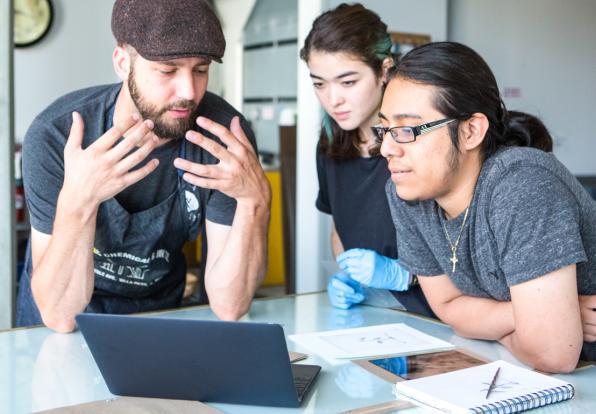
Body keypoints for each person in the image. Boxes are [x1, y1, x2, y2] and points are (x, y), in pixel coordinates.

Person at [17, 0, 271, 333]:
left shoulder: (223, 138)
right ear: (123, 63)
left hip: (157, 322)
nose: (189, 92)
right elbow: (60, 315)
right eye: (167, 70)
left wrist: (256, 202)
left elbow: (230, 305)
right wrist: (78, 202)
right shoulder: (57, 136)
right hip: (56, 332)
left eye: (201, 69)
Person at [378, 41, 596, 372]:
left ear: (470, 131)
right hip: (536, 371)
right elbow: (449, 307)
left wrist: (490, 322)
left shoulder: (522, 183)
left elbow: (553, 352)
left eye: (407, 130)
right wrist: (528, 316)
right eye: (385, 129)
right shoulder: (407, 192)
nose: (386, 149)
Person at [300, 3, 433, 317]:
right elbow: (339, 228)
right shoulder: (331, 145)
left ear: (384, 69)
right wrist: (349, 275)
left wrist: (406, 275)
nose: (333, 100)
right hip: (375, 311)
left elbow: (462, 251)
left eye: (348, 82)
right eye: (319, 84)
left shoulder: (420, 141)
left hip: (436, 315)